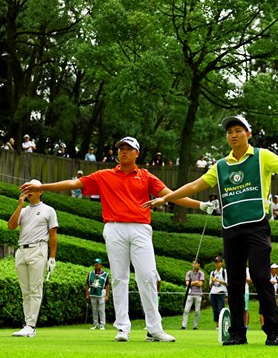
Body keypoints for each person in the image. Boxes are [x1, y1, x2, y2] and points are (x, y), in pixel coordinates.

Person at [143, 115, 278, 346]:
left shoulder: (261, 156)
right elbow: (195, 186)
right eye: (229, 132)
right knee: (235, 282)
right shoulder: (221, 166)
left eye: (238, 130)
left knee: (260, 276)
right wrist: (165, 198)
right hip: (231, 228)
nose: (233, 135)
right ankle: (237, 333)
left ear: (248, 133)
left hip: (257, 227)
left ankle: (273, 330)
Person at [19, 136, 213, 343]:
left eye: (128, 148)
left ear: (137, 153)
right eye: (120, 148)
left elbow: (171, 195)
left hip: (141, 228)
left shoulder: (146, 176)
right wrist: (42, 188)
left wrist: (199, 205)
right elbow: (75, 183)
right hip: (114, 228)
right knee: (120, 278)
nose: (123, 151)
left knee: (147, 276)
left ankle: (154, 329)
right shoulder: (104, 175)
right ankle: (122, 328)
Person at [8, 179, 58, 338]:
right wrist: (20, 205)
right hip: (22, 250)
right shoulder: (23, 210)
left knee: (35, 289)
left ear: (40, 191)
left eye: (32, 188)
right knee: (25, 291)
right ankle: (27, 324)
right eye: (27, 188)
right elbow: (11, 226)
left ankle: (30, 325)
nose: (29, 191)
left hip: (38, 249)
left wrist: (52, 257)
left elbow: (53, 235)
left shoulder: (49, 210)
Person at [86, 258, 110, 330]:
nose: (96, 265)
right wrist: (87, 294)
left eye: (98, 263)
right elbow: (87, 284)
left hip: (101, 294)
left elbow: (107, 285)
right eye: (95, 263)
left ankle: (102, 324)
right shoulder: (91, 274)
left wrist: (107, 295)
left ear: (101, 265)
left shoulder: (105, 274)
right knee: (94, 310)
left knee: (101, 310)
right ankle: (95, 324)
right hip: (93, 293)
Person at [181, 259, 205, 330]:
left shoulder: (201, 273)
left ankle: (195, 326)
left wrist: (193, 283)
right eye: (193, 263)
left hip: (198, 294)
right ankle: (183, 326)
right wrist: (196, 282)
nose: (194, 265)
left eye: (196, 263)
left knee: (197, 311)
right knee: (186, 310)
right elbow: (187, 284)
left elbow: (200, 284)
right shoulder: (189, 273)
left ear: (199, 264)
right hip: (190, 294)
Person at [209, 256, 228, 329]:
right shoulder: (213, 273)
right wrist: (213, 281)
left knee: (221, 309)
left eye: (219, 262)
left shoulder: (224, 272)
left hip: (221, 292)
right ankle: (217, 325)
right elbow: (210, 284)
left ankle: (221, 325)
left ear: (221, 263)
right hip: (213, 292)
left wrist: (218, 281)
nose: (217, 264)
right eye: (216, 262)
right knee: (215, 310)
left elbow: (227, 282)